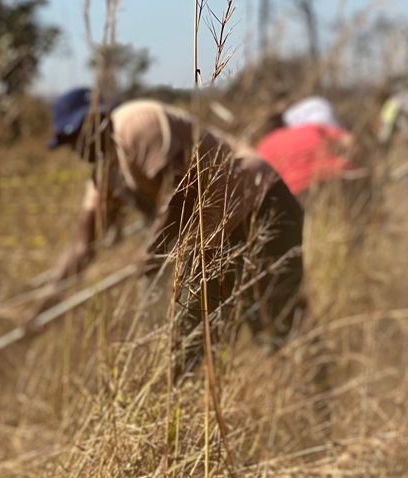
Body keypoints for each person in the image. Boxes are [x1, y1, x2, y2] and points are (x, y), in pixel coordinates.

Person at [40, 87, 306, 379]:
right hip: (213, 238)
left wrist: (151, 257)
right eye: (69, 143)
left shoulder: (135, 123)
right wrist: (50, 296)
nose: (78, 149)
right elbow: (82, 245)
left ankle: (316, 401)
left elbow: (181, 190)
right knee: (191, 341)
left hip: (259, 205)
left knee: (275, 325)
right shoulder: (105, 173)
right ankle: (190, 406)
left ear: (98, 120)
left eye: (77, 136)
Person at [254, 96, 356, 198]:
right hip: (333, 179)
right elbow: (349, 142)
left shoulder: (267, 141)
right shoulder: (316, 128)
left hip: (288, 195)